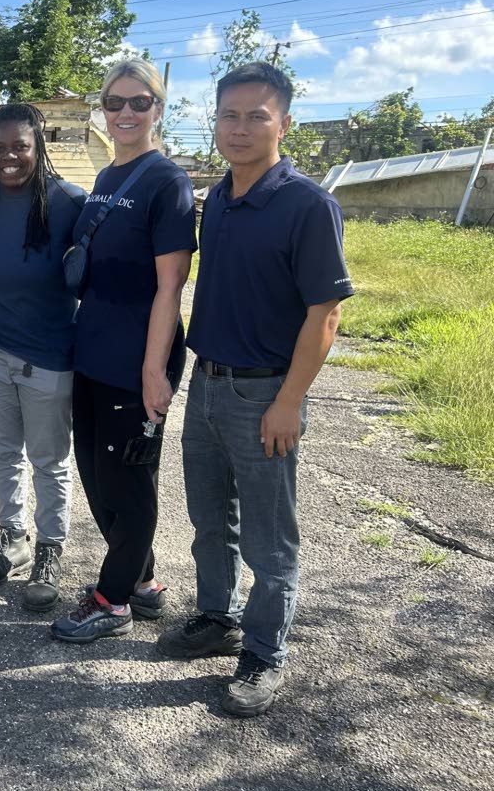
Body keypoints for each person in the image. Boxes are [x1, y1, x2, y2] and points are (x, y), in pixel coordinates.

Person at [157, 62, 354, 718]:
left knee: (271, 540)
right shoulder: (220, 202)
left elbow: (324, 317)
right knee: (211, 523)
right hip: (208, 387)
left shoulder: (307, 204)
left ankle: (264, 654)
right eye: (229, 115)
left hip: (266, 395)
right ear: (214, 122)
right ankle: (217, 618)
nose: (239, 128)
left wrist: (289, 402)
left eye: (256, 116)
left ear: (284, 123)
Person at [49, 59, 197, 644]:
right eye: (115, 103)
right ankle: (141, 577)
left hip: (138, 357)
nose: (126, 113)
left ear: (158, 110)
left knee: (127, 480)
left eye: (139, 102)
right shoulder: (108, 177)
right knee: (94, 470)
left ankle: (111, 600)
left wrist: (153, 370)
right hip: (93, 349)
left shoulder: (167, 182)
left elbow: (170, 286)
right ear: (102, 112)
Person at [0, 103, 87, 612]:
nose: (9, 157)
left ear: (39, 149)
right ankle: (12, 538)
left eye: (20, 146)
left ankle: (50, 549)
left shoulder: (69, 202)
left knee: (49, 460)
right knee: (2, 452)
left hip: (50, 355)